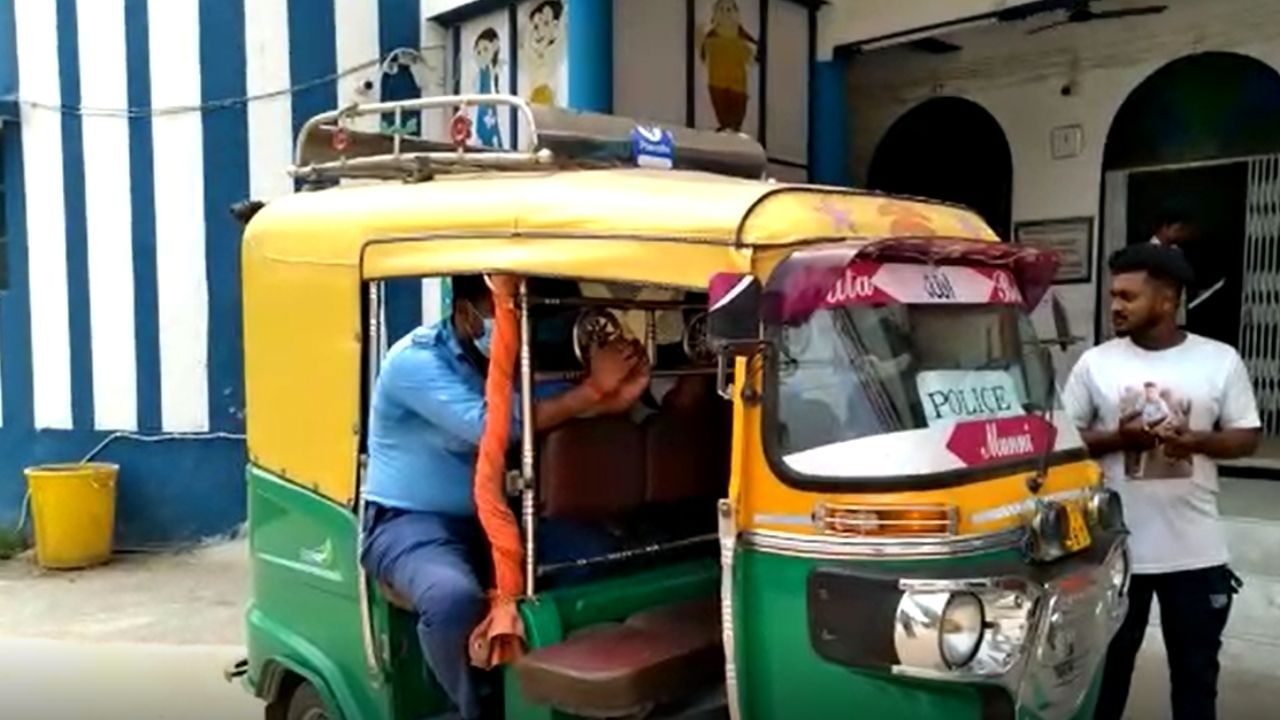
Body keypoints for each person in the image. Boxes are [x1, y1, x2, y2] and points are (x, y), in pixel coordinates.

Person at [359, 274, 650, 720]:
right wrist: (593, 391)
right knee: (451, 597)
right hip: (410, 522)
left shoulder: (514, 357)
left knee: (597, 557)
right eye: (505, 313)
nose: (516, 325)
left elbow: (549, 400)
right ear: (465, 314)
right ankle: (478, 708)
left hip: (498, 514)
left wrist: (612, 393)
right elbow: (491, 427)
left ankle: (556, 691)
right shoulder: (415, 362)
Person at [1061, 244, 1258, 720]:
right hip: (1117, 553)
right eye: (1113, 294)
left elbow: (1246, 437)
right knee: (1105, 684)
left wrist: (1196, 443)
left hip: (1196, 553)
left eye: (1128, 296)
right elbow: (1064, 441)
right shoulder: (1096, 363)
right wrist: (1116, 438)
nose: (1115, 306)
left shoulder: (1219, 360)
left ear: (1168, 300)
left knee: (1195, 683)